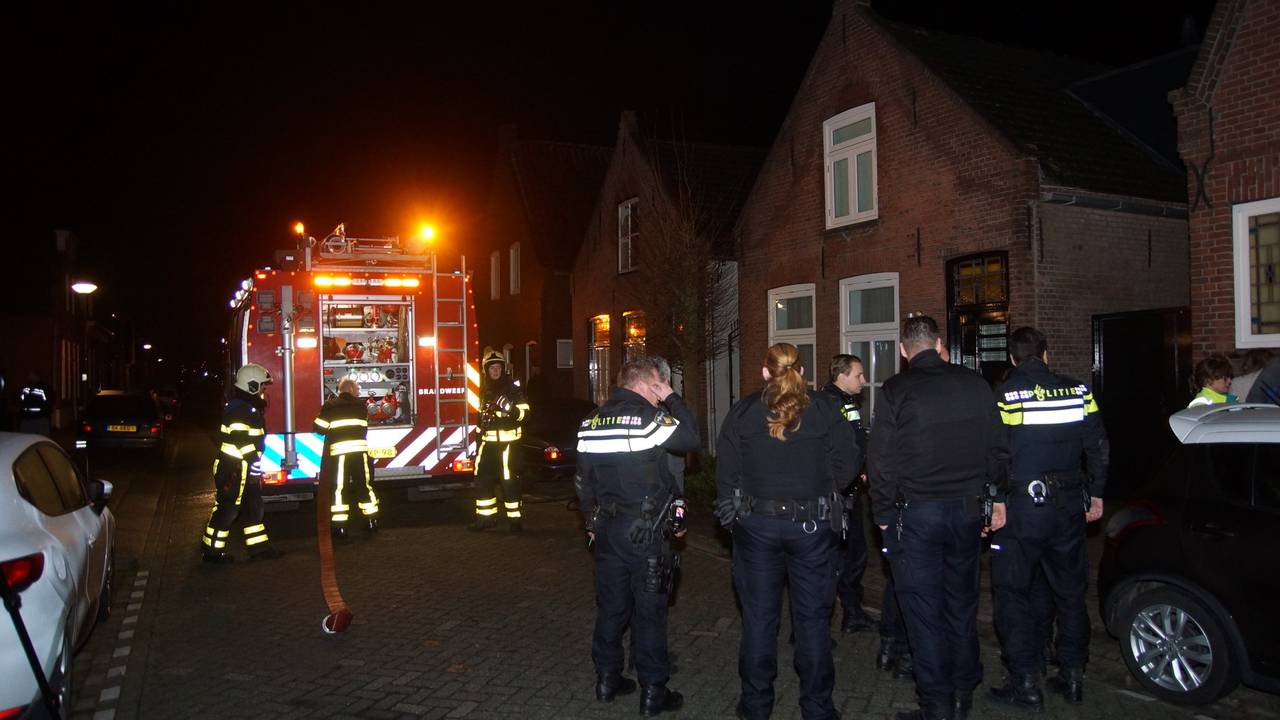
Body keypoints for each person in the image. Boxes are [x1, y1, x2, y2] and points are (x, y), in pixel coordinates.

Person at [868, 316, 1006, 720]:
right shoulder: (975, 384)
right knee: (961, 604)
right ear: (940, 343)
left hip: (917, 516)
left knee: (923, 611)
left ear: (904, 351)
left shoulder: (896, 390)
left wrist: (882, 514)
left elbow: (881, 460)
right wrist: (996, 498)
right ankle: (964, 691)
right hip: (966, 512)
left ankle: (938, 705)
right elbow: (998, 447)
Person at [716, 343, 858, 720]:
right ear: (803, 372)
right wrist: (825, 489)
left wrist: (734, 516)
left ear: (765, 372)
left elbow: (726, 472)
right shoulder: (826, 409)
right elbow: (850, 461)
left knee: (759, 619)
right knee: (812, 620)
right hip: (811, 527)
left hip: (757, 527)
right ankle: (817, 707)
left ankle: (756, 705)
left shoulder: (744, 411)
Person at [989, 327, 1108, 709]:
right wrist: (1099, 493)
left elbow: (996, 454)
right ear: (1045, 353)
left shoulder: (1006, 395)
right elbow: (1099, 446)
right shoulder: (1079, 391)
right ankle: (1072, 675)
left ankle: (1024, 681)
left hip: (1023, 508)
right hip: (1069, 505)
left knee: (1012, 592)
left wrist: (994, 500)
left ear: (1012, 358)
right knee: (1071, 592)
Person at [576, 358, 700, 716]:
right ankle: (653, 691)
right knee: (649, 612)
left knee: (612, 607)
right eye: (658, 388)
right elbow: (691, 439)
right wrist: (674, 398)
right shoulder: (649, 419)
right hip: (645, 532)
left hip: (607, 530)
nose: (659, 397)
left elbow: (584, 482)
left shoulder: (591, 422)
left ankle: (607, 680)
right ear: (649, 383)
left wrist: (589, 520)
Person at [201, 364, 282, 563]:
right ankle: (211, 552)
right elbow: (240, 439)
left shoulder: (246, 407)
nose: (264, 390)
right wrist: (252, 459)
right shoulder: (239, 409)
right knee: (228, 509)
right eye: (262, 386)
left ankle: (258, 549)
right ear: (252, 385)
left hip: (242, 468)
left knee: (253, 507)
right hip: (234, 469)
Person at [821, 354, 875, 635]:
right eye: (858, 375)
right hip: (839, 496)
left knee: (855, 555)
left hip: (850, 492)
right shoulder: (830, 403)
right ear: (841, 375)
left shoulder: (846, 401)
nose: (863, 381)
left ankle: (851, 613)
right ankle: (828, 618)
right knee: (842, 557)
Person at [470, 347, 531, 531]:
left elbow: (525, 415)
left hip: (508, 444)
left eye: (498, 367)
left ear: (503, 369)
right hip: (488, 444)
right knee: (483, 479)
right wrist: (478, 441)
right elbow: (480, 420)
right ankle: (485, 519)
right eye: (491, 368)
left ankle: (515, 520)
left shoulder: (513, 389)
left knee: (509, 480)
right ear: (486, 371)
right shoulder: (482, 391)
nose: (495, 371)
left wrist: (510, 409)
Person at [313, 377, 379, 538]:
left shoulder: (330, 406)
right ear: (350, 390)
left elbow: (319, 428)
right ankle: (371, 522)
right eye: (356, 389)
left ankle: (340, 528)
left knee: (339, 490)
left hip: (340, 454)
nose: (358, 391)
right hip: (360, 454)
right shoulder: (361, 407)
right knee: (364, 486)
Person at [18, 371, 53, 436]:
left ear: (36, 376)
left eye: (32, 376)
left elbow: (48, 402)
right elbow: (21, 400)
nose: (30, 377)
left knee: (41, 438)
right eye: (29, 376)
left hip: (40, 418)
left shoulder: (44, 387)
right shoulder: (26, 388)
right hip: (27, 418)